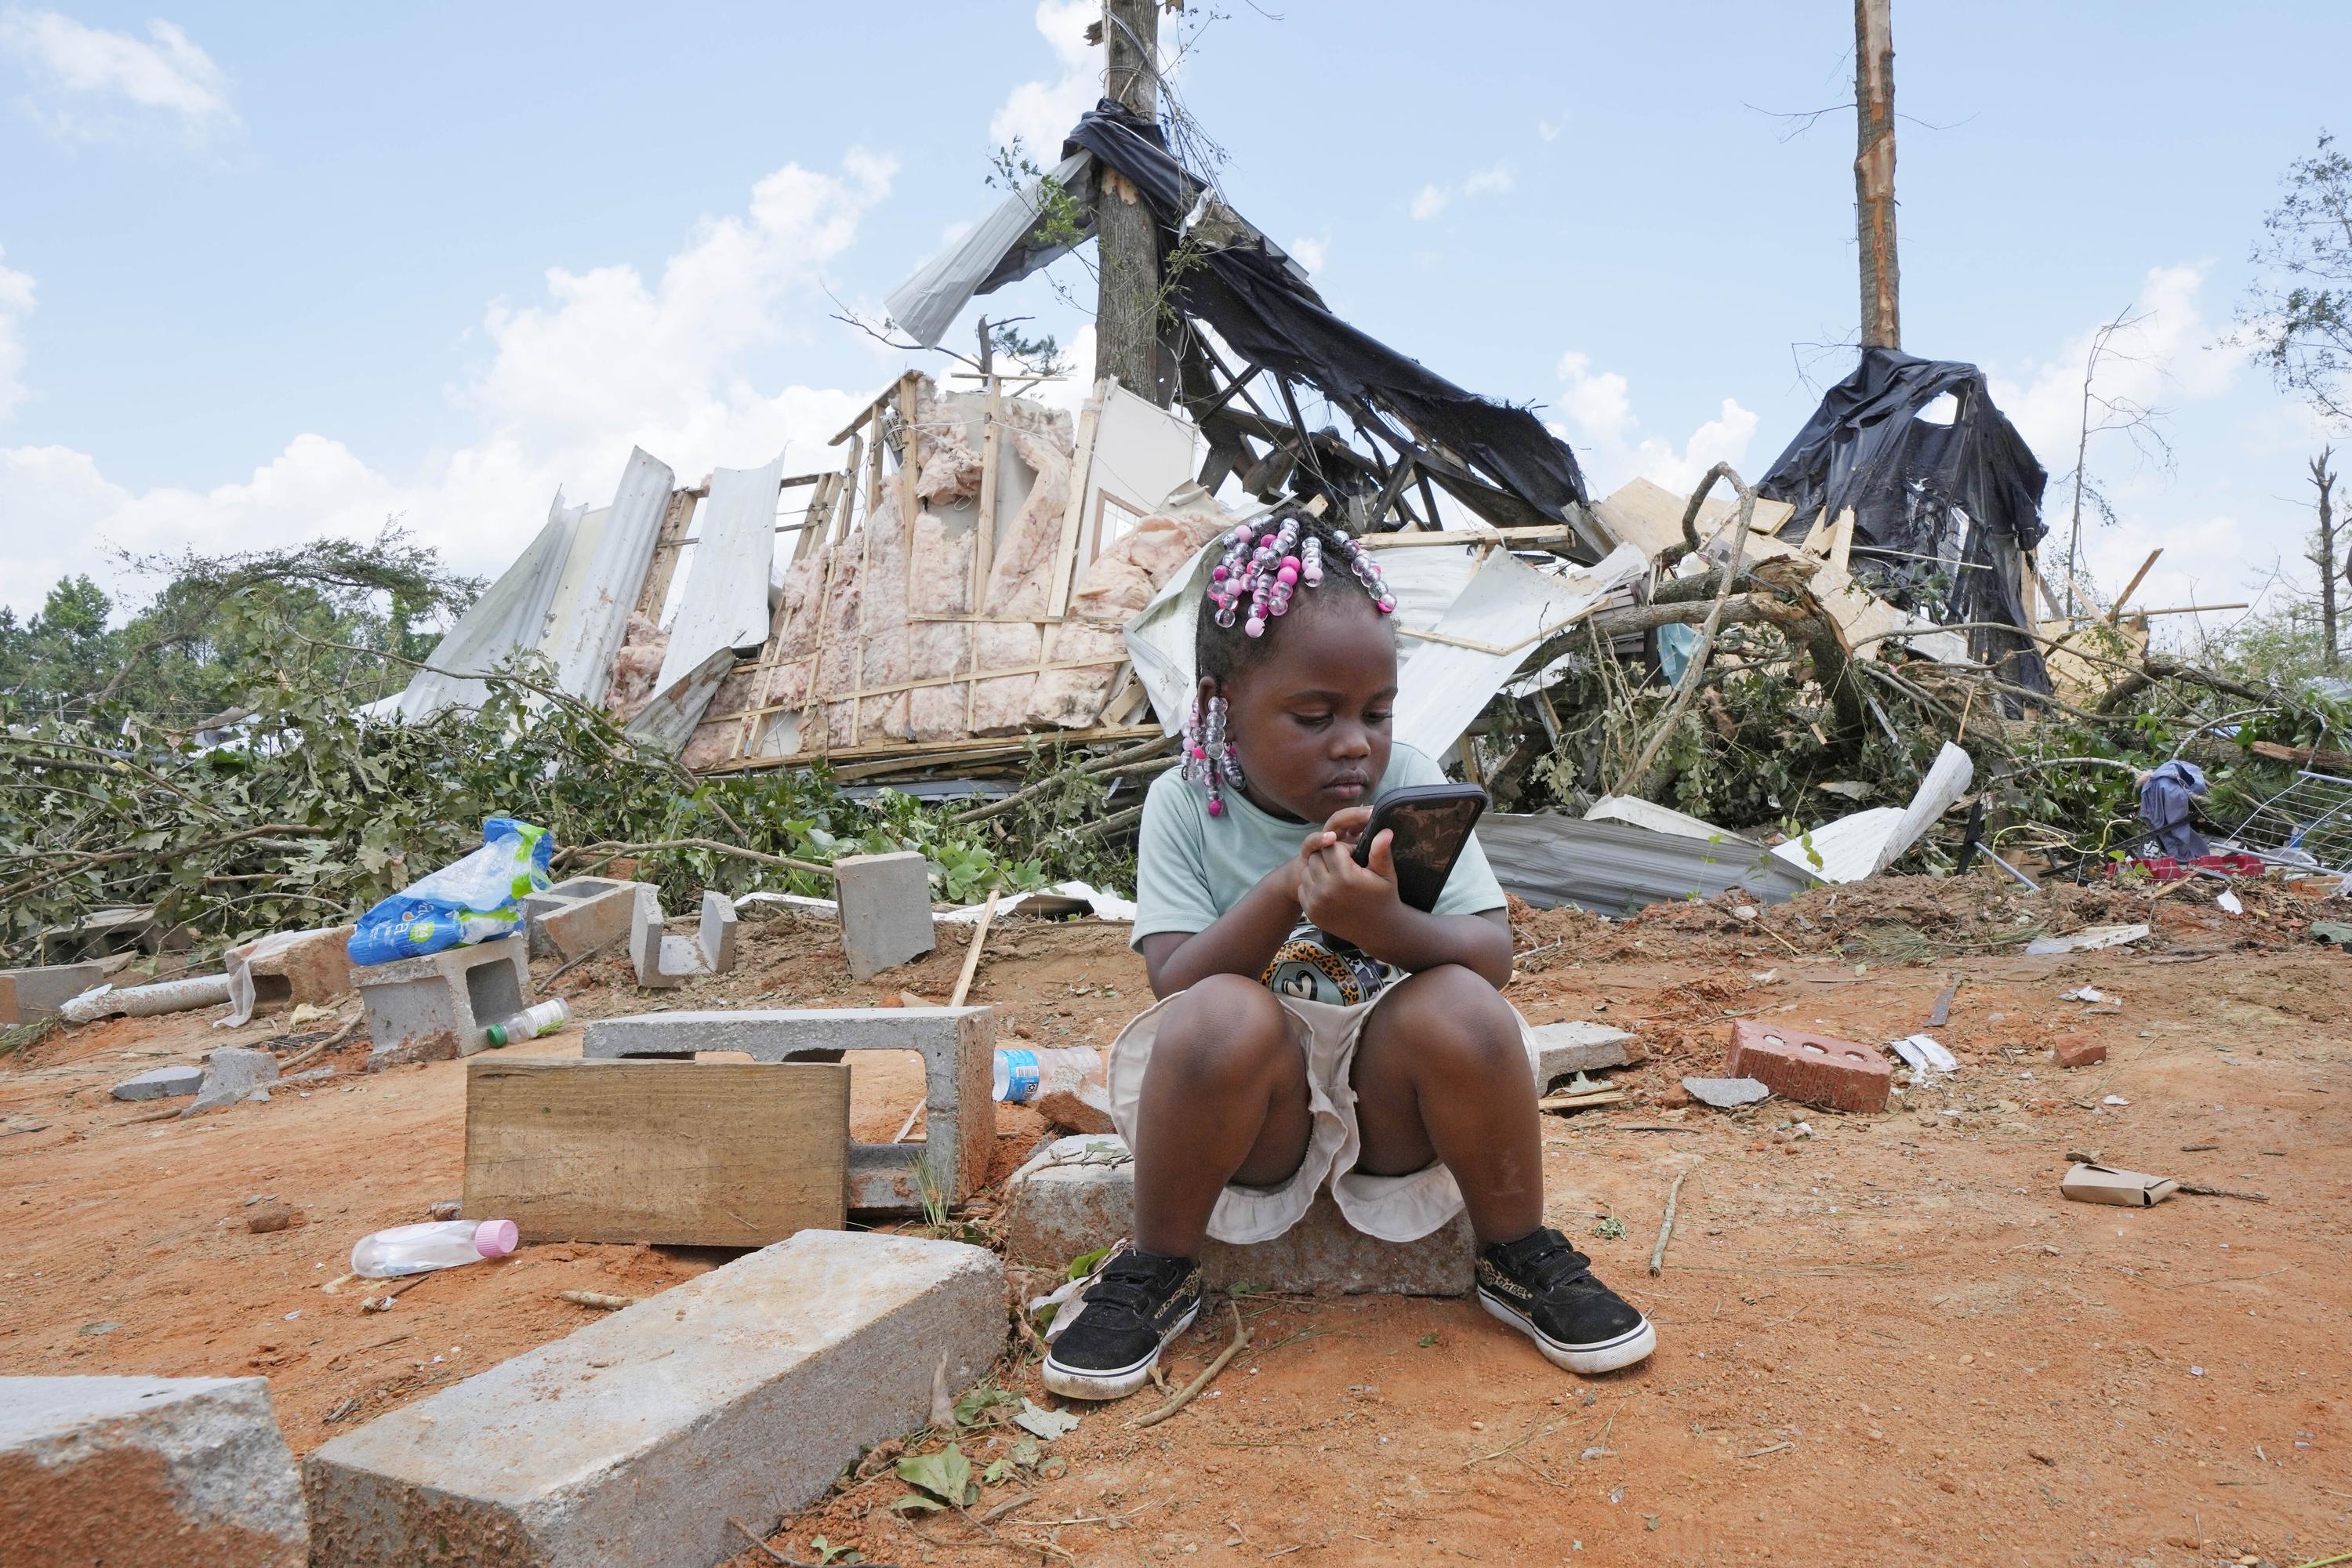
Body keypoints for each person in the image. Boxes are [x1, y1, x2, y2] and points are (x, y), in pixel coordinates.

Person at [1040, 506, 1656, 1401]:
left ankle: (1520, 1255)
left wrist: (1386, 926)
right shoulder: (1187, 803)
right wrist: (1285, 888)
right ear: (1220, 705)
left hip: (1389, 1115)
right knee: (1219, 1011)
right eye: (1314, 713)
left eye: (1376, 711)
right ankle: (1159, 1268)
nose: (1355, 742)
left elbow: (1492, 952)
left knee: (1462, 1004)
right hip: (1259, 1118)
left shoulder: (1409, 780)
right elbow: (1173, 977)